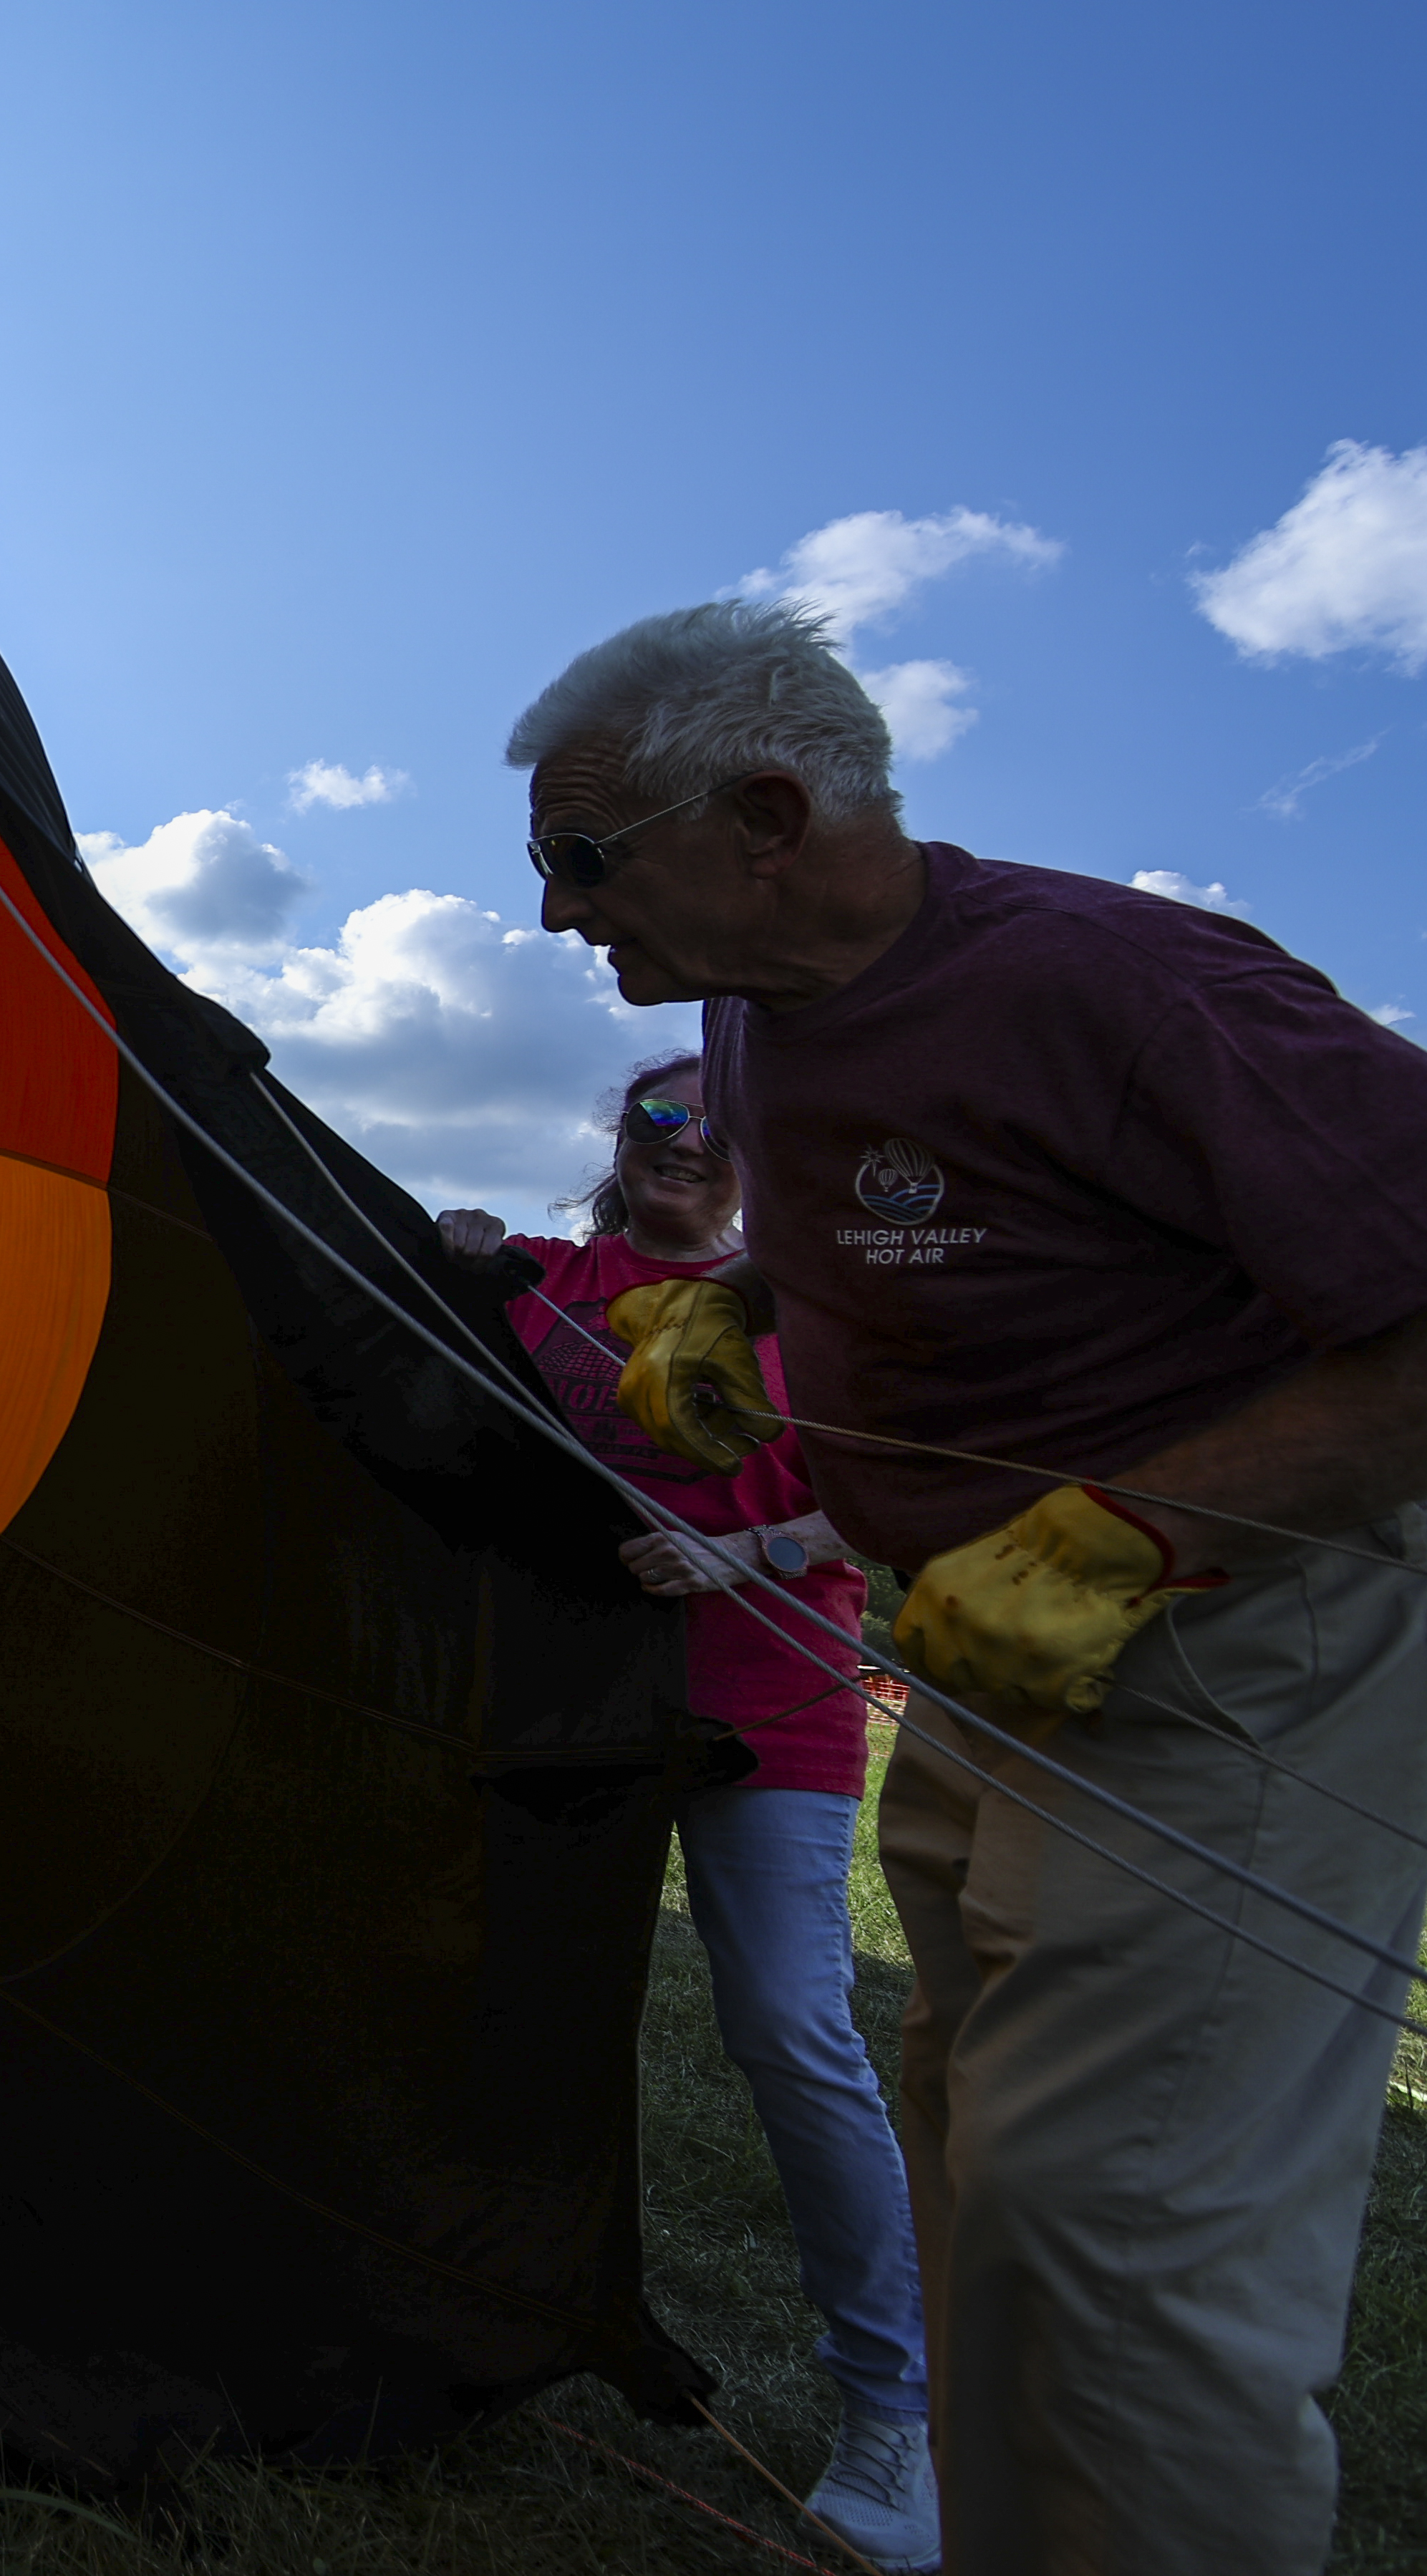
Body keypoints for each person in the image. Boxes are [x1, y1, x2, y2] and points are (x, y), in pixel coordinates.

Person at [506, 598, 1427, 2576]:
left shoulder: (1126, 984)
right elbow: (910, 1237)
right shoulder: (755, 1016)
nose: (559, 910)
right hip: (987, 1652)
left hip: (1225, 1645)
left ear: (764, 811)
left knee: (1123, 2222)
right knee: (975, 2145)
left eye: (581, 856)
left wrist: (1136, 1532)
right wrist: (733, 1317)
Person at [442, 1054, 936, 2569]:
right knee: (489, 1995)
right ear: (619, 1139)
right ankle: (446, 2310)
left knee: (790, 2027)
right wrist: (438, 1244)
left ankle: (892, 2410)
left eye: (720, 1131)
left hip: (766, 1705)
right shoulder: (547, 1281)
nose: (687, 1148)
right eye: (660, 1119)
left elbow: (903, 1493)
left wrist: (758, 1554)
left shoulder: (816, 1311)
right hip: (563, 1703)